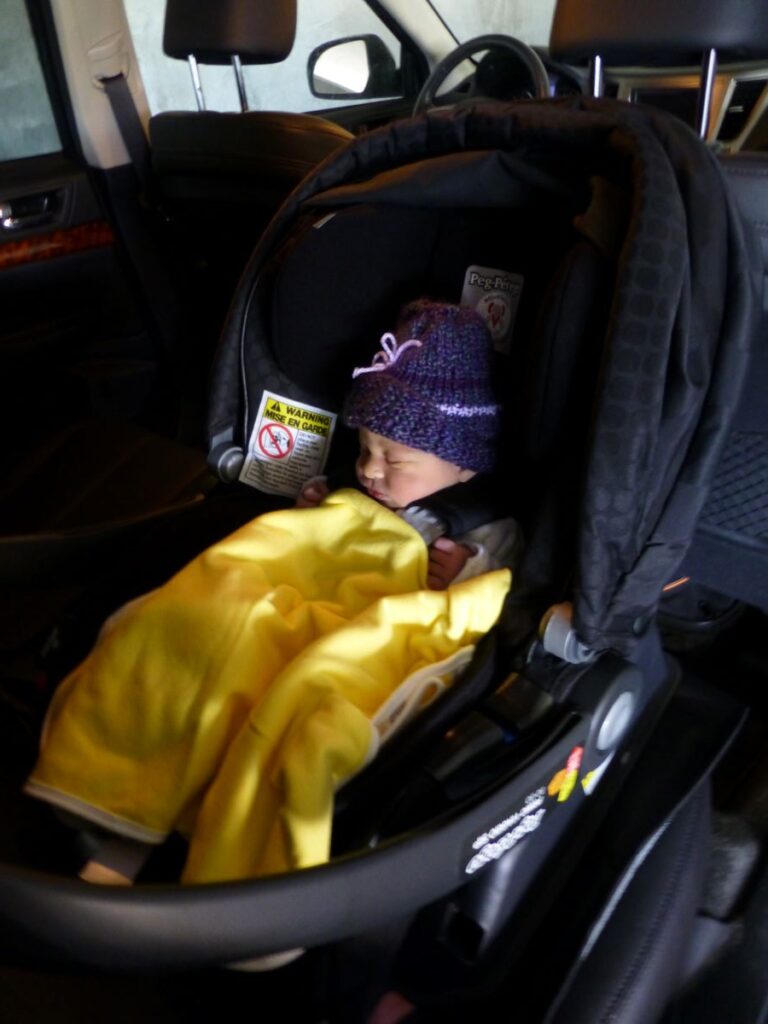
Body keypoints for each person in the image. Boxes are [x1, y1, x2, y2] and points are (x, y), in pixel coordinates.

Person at [297, 299, 520, 588]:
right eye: (365, 449)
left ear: (464, 465)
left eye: (394, 460)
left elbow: (514, 604)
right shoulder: (349, 488)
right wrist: (310, 511)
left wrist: (468, 573)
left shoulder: (484, 526)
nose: (368, 469)